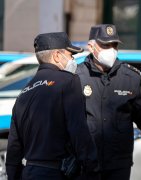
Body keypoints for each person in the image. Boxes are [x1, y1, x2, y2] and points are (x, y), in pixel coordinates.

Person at [5, 32, 100, 180]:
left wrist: (16, 175)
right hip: (56, 173)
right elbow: (78, 130)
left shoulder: (24, 92)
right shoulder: (68, 81)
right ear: (56, 55)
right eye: (70, 55)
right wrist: (92, 169)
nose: (73, 60)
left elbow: (14, 147)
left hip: (30, 172)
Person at [76, 24, 141, 180]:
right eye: (105, 45)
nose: (111, 49)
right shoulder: (76, 76)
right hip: (85, 163)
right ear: (91, 47)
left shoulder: (131, 77)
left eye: (114, 45)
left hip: (118, 164)